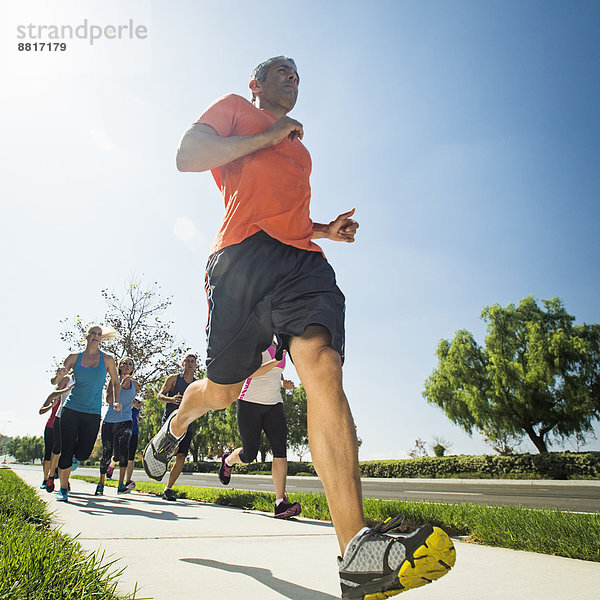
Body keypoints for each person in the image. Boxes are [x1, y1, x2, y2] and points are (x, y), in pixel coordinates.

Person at [144, 56, 455, 598]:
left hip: (302, 263)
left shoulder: (300, 151)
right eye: (281, 71)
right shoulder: (239, 111)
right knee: (218, 392)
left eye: (297, 74)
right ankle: (174, 428)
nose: (293, 78)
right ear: (256, 83)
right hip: (241, 260)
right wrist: (266, 135)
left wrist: (324, 230)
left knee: (323, 367)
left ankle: (356, 551)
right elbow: (187, 157)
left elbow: (287, 215)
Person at [218, 343, 301, 519]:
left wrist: (282, 383)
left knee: (280, 450)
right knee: (249, 455)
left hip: (274, 404)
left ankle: (280, 503)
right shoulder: (254, 342)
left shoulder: (279, 344)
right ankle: (228, 461)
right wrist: (277, 360)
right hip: (250, 403)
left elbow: (276, 372)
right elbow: (250, 373)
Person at [57, 324, 121, 502]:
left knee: (84, 453)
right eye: (92, 333)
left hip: (92, 412)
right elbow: (56, 379)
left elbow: (116, 382)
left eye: (99, 334)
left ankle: (74, 460)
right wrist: (58, 374)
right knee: (66, 450)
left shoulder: (107, 359)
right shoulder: (74, 357)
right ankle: (63, 488)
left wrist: (116, 400)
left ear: (101, 338)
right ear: (86, 336)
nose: (96, 336)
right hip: (71, 409)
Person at [155, 353, 199, 501]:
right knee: (171, 451)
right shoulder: (174, 379)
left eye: (193, 361)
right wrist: (171, 399)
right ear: (183, 364)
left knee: (181, 456)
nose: (190, 363)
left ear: (196, 365)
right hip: (171, 422)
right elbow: (159, 395)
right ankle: (158, 456)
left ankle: (168, 489)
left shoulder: (197, 384)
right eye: (188, 361)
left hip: (188, 423)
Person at [95, 357, 139, 496]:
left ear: (133, 368)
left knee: (123, 452)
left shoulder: (135, 385)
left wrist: (135, 405)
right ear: (119, 366)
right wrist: (120, 384)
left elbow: (129, 402)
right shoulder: (114, 380)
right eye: (124, 363)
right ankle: (101, 484)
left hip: (126, 420)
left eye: (130, 364)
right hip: (110, 422)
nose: (127, 365)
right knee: (107, 453)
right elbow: (108, 400)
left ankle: (121, 485)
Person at [38, 366, 73, 493]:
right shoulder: (55, 395)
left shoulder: (70, 395)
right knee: (49, 454)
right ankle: (45, 478)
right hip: (51, 426)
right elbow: (41, 410)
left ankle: (64, 479)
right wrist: (51, 406)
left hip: (65, 425)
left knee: (63, 453)